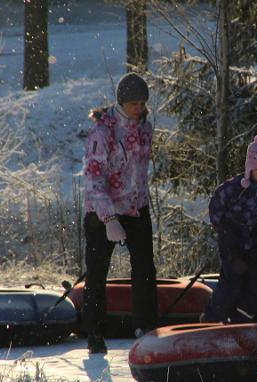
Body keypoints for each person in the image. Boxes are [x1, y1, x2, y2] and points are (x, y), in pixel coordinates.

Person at [82, 72, 158, 354]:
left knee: (145, 269)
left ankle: (146, 326)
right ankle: (94, 331)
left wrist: (136, 205)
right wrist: (109, 218)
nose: (139, 108)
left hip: (137, 208)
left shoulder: (145, 128)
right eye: (134, 103)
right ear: (121, 102)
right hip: (103, 211)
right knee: (97, 271)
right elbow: (93, 179)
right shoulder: (103, 133)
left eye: (142, 103)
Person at [202, 134, 257, 324]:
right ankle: (212, 317)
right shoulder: (235, 188)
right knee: (232, 278)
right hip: (233, 234)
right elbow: (216, 203)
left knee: (255, 281)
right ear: (250, 169)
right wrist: (220, 226)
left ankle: (242, 318)